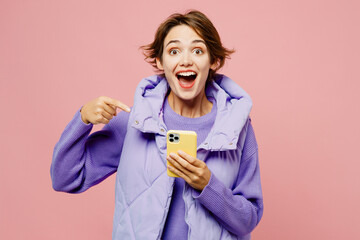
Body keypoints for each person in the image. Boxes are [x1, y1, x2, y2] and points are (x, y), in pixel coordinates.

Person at [51, 10, 263, 240]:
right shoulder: (133, 124)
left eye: (198, 50)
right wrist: (82, 119)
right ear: (161, 61)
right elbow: (65, 179)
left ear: (213, 60)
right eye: (174, 51)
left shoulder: (236, 129)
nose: (185, 60)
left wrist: (208, 186)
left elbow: (248, 219)